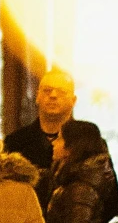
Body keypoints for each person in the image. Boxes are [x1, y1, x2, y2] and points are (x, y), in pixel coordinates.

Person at [5, 67, 77, 202]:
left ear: (73, 100)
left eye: (61, 91)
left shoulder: (86, 142)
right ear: (37, 96)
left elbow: (108, 195)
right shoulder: (16, 142)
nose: (53, 96)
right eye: (47, 90)